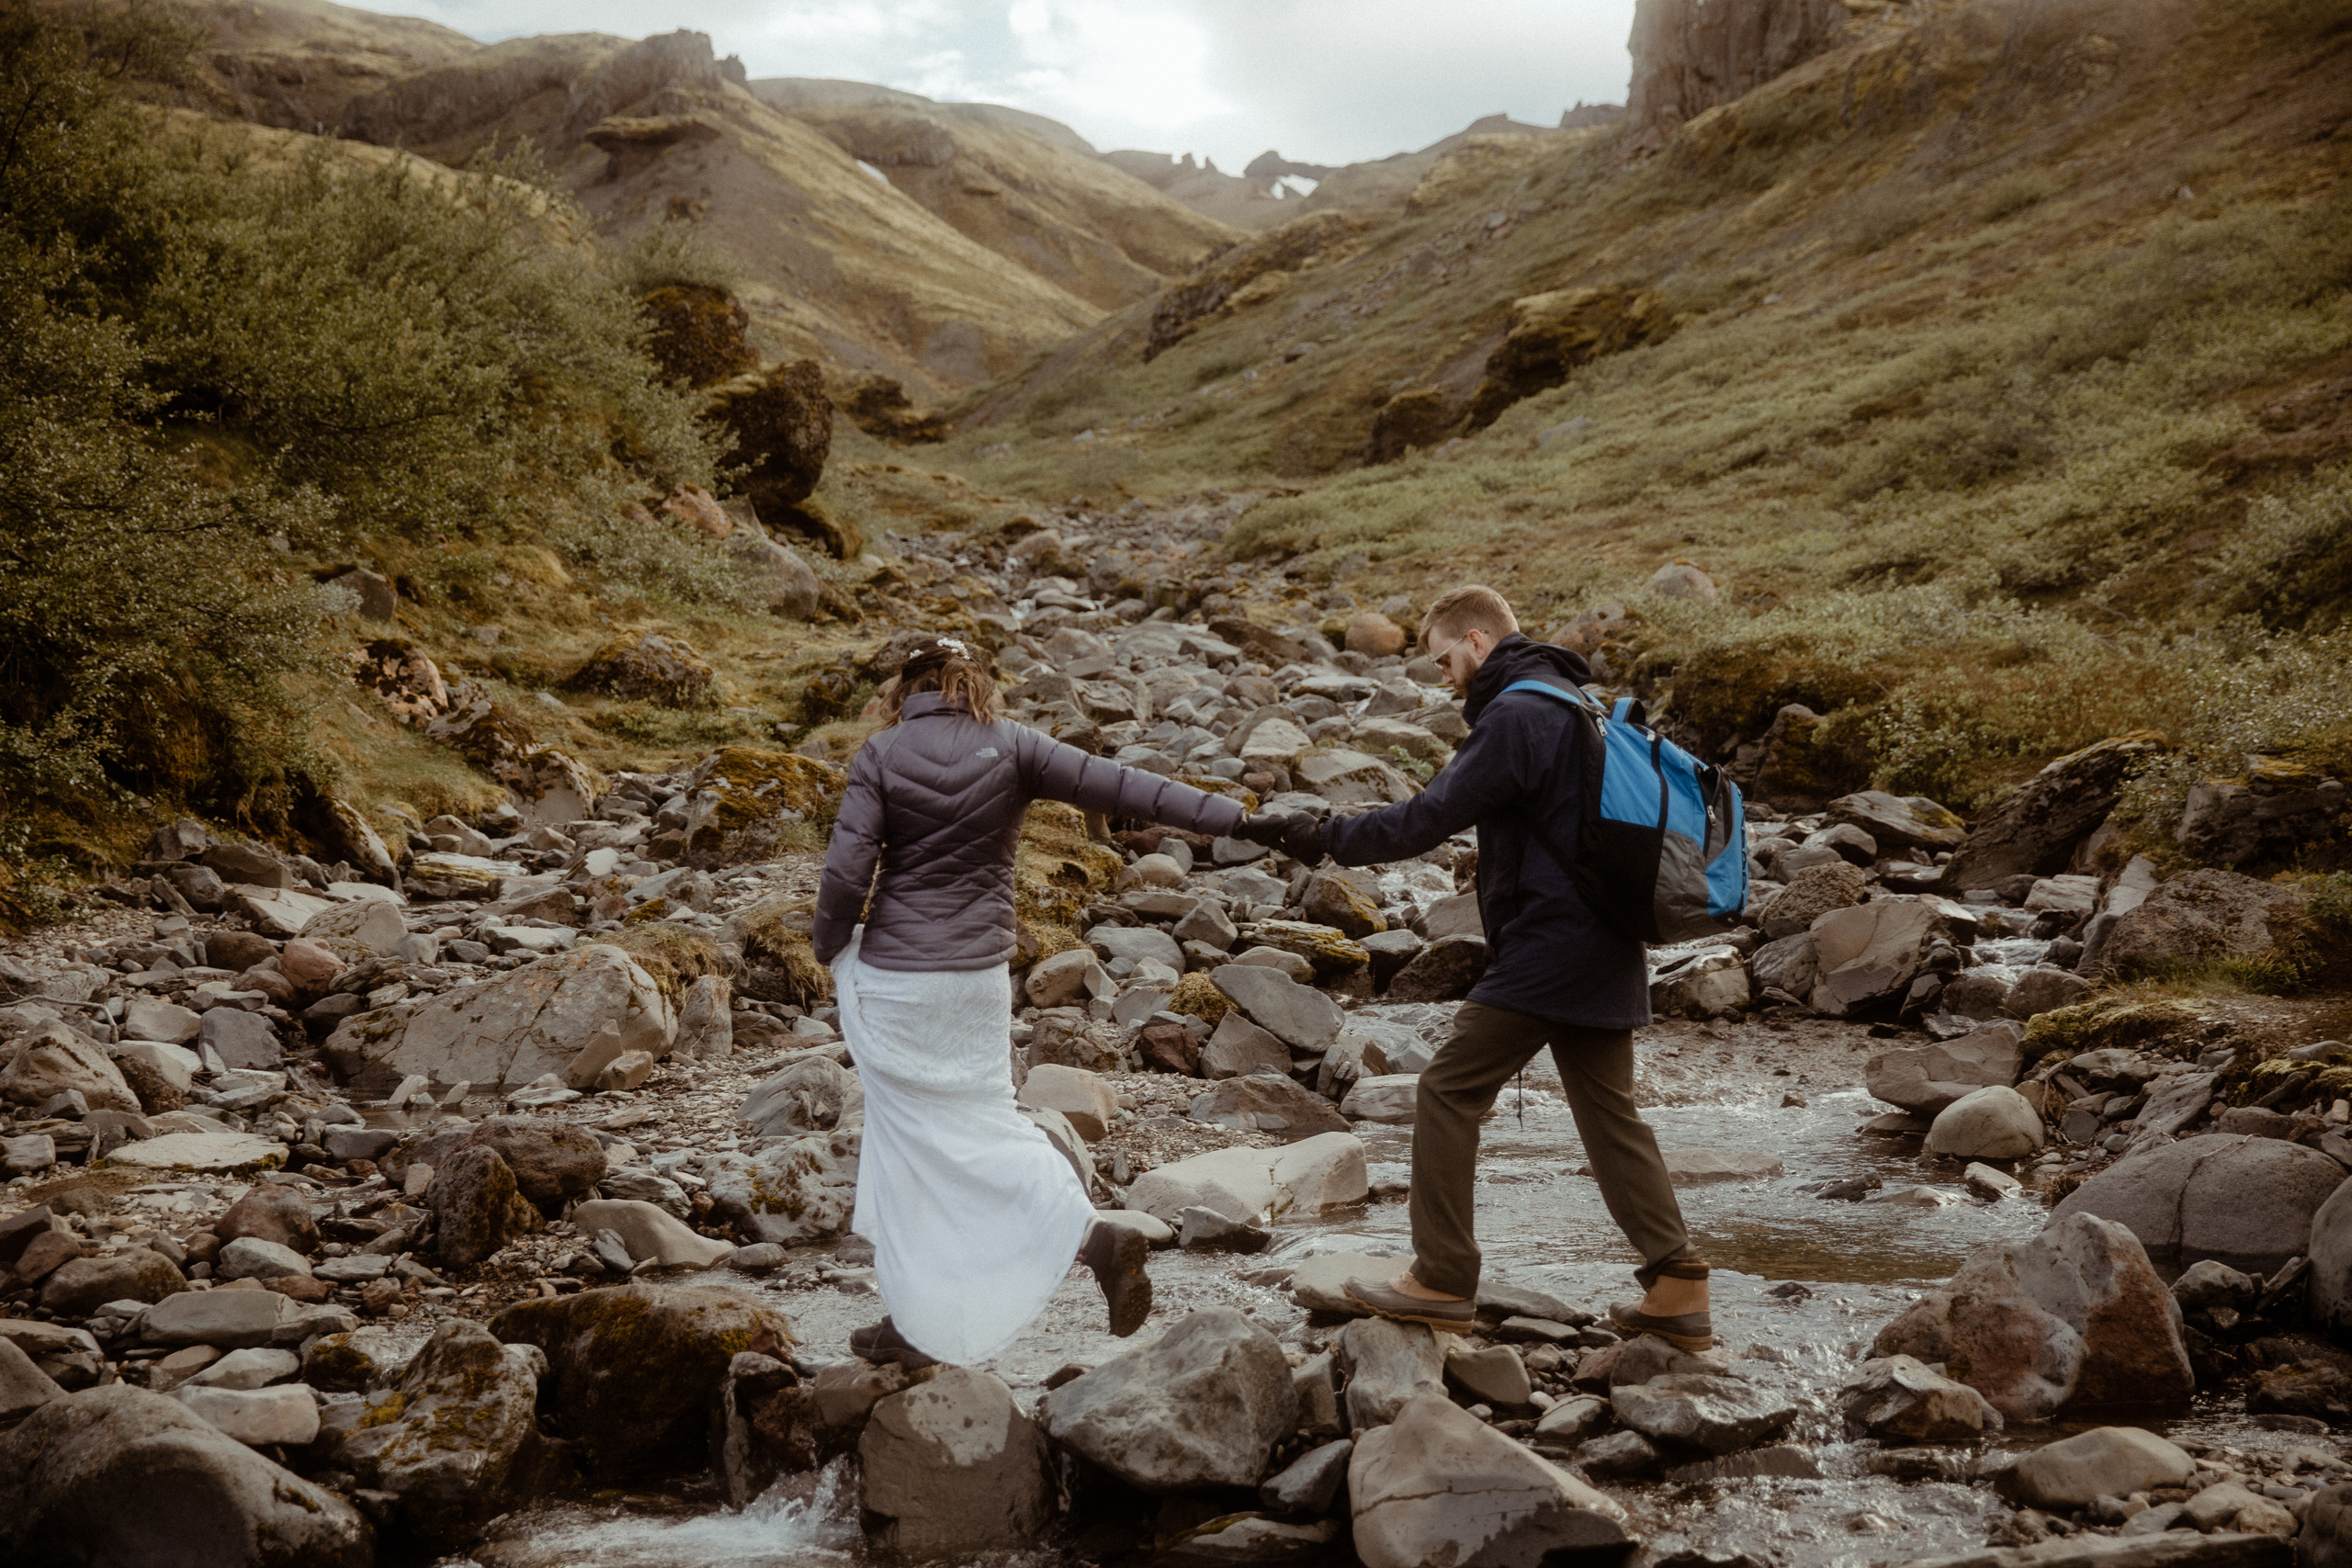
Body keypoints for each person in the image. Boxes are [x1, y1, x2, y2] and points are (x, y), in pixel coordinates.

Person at [1232, 585, 1713, 1350]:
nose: (1445, 677)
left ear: (1480, 640)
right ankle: (1678, 1284)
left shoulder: (1519, 715)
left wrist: (1322, 835)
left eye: (1445, 658)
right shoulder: (1573, 703)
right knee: (1610, 1115)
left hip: (1552, 945)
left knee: (1447, 1089)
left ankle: (1443, 1276)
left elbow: (1425, 818)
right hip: (1607, 940)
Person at [811, 635, 1248, 1369]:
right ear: (972, 681)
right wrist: (1238, 817)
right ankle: (916, 1318)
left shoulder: (881, 755)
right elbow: (1125, 786)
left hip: (899, 978)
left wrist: (830, 947)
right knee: (979, 1121)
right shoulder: (1013, 744)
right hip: (979, 979)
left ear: (905, 688)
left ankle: (1084, 1235)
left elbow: (847, 874)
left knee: (911, 1140)